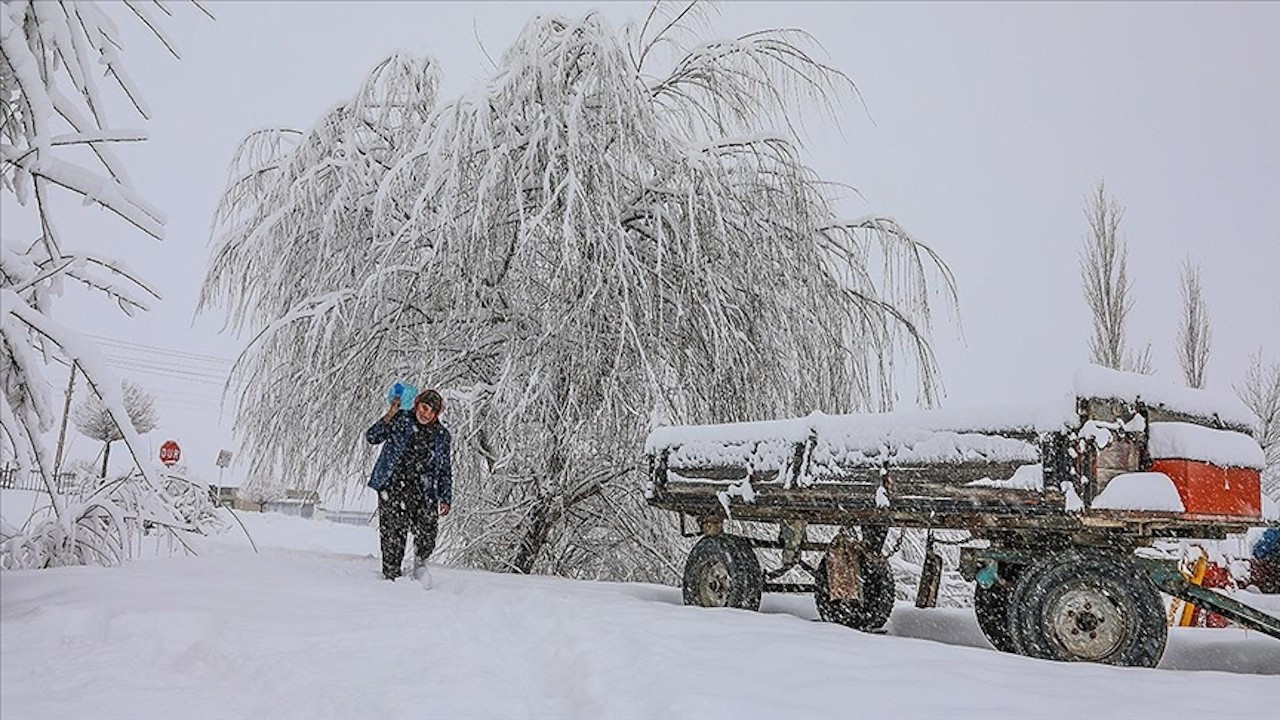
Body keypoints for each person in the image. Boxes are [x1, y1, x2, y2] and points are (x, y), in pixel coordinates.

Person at [366, 388, 452, 580]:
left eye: (431, 411)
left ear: (436, 414)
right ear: (417, 405)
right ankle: (391, 576)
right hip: (393, 486)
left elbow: (445, 468)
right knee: (393, 535)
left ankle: (420, 568)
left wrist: (446, 497)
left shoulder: (442, 435)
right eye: (424, 407)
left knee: (427, 532)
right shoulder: (400, 419)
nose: (425, 413)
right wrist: (391, 413)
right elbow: (372, 437)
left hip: (424, 490)